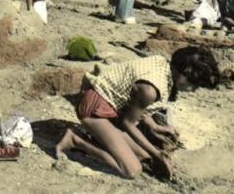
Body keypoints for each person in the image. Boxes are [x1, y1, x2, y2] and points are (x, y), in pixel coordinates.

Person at [55, 47, 220, 179]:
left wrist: (154, 127)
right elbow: (127, 122)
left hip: (111, 108)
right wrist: (157, 154)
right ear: (182, 72)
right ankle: (75, 140)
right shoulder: (150, 89)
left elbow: (135, 104)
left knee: (143, 156)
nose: (193, 89)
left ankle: (100, 138)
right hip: (94, 108)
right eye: (193, 83)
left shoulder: (164, 66)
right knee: (132, 169)